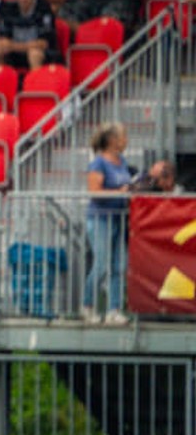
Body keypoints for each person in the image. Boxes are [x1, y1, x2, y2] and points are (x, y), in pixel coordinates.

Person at [82, 122, 132, 325]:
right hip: (101, 218)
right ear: (113, 141)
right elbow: (95, 192)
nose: (126, 140)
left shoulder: (122, 161)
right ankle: (88, 306)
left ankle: (114, 309)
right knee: (101, 265)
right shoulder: (98, 163)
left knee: (119, 266)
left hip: (119, 218)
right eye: (123, 136)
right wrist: (119, 192)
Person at [0, 0, 59, 71]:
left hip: (43, 55)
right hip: (15, 55)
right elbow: (0, 42)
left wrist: (13, 46)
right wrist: (8, 45)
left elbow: (43, 43)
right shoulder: (6, 8)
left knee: (34, 54)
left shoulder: (43, 8)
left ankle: (35, 85)